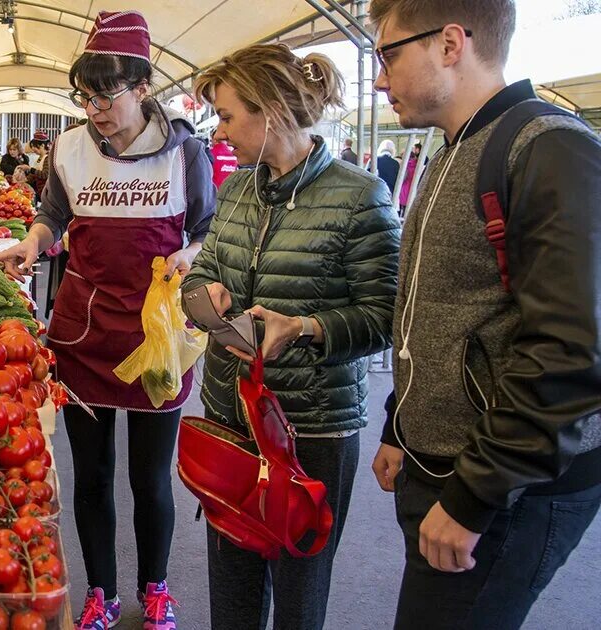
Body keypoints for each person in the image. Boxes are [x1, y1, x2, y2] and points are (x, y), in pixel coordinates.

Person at [369, 1, 601, 628]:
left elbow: (570, 350)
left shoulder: (548, 147)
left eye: (388, 54)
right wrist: (400, 422)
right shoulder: (453, 150)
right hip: (451, 464)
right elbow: (437, 309)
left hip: (511, 490)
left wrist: (476, 495)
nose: (379, 79)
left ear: (450, 43)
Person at [0, 11, 215, 630]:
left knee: (149, 478)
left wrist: (187, 256)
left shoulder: (186, 154)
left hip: (156, 337)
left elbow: (206, 233)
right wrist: (34, 243)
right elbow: (51, 217)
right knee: (91, 473)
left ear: (142, 86)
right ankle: (102, 592)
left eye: (107, 94)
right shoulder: (67, 148)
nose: (95, 109)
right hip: (82, 333)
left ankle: (157, 587)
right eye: (84, 96)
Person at [183, 43, 401, 630]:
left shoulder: (360, 198)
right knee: (231, 589)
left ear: (271, 111)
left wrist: (303, 328)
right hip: (232, 419)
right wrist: (206, 301)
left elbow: (384, 316)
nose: (219, 131)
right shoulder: (235, 192)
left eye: (227, 116)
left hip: (310, 430)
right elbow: (200, 278)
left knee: (300, 591)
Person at [397, 142, 422, 214]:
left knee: (399, 211)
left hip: (403, 190)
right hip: (413, 191)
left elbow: (402, 178)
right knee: (408, 212)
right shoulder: (418, 165)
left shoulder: (404, 165)